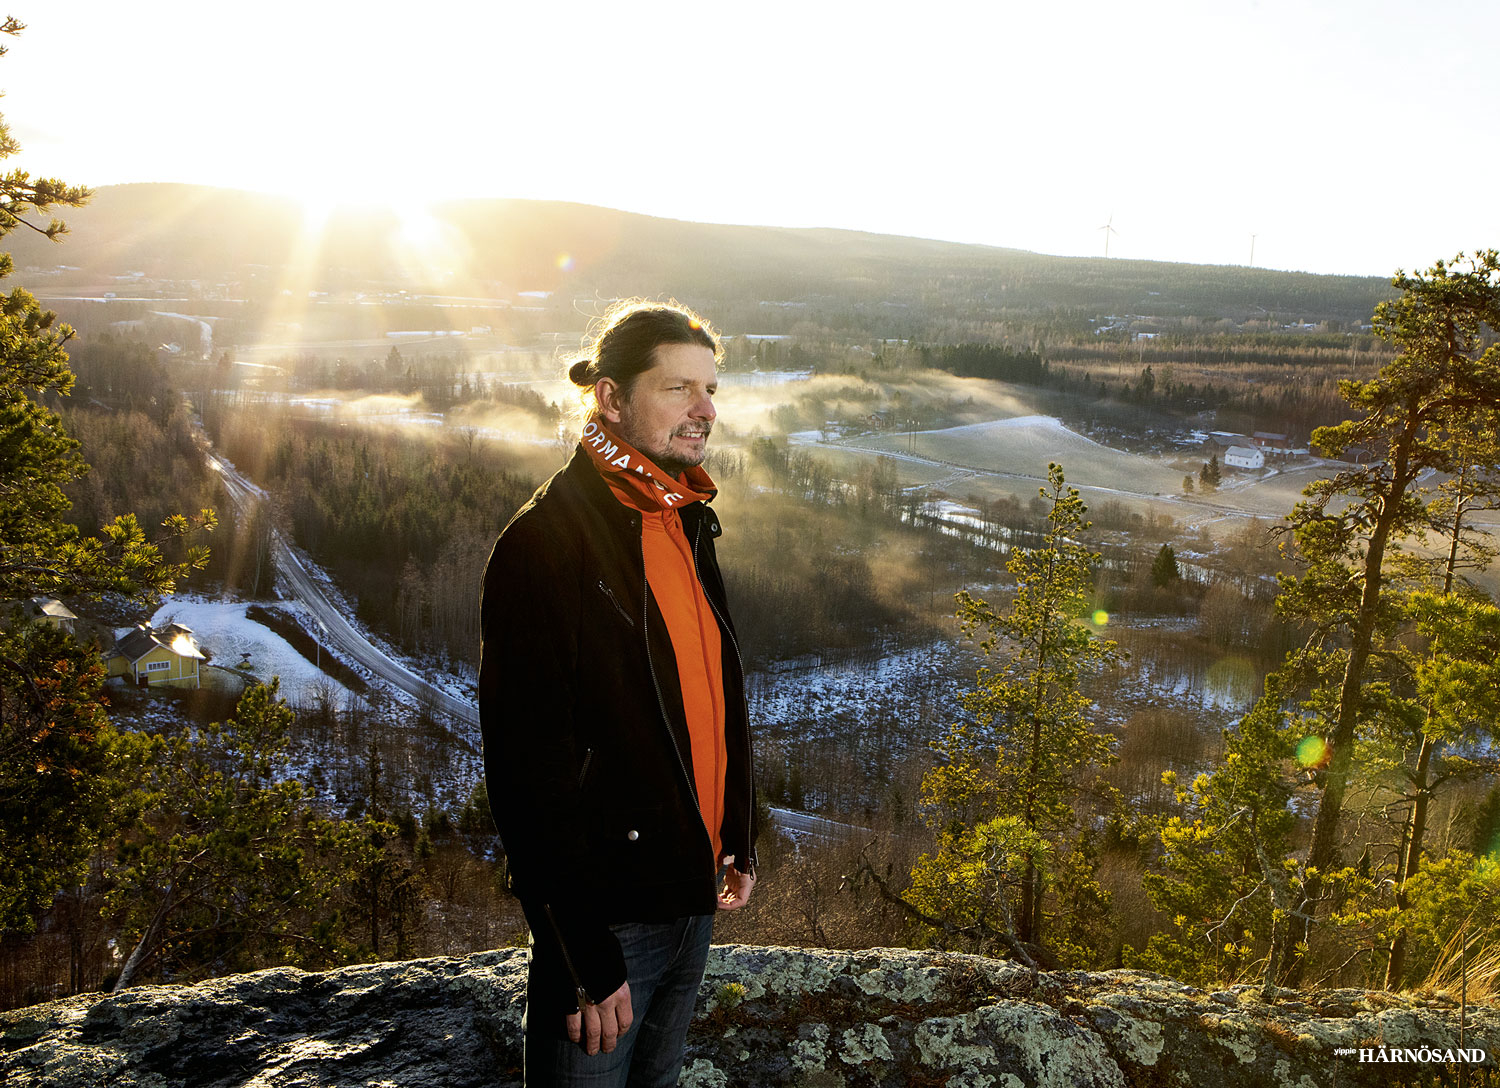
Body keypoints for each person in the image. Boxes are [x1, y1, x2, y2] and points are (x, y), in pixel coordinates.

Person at [479, 299, 757, 1087]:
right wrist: (579, 955)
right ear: (610, 397)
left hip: (692, 892)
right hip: (608, 917)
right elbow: (526, 769)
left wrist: (736, 828)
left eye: (710, 389)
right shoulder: (546, 543)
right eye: (677, 389)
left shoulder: (684, 517)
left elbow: (709, 693)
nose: (704, 410)